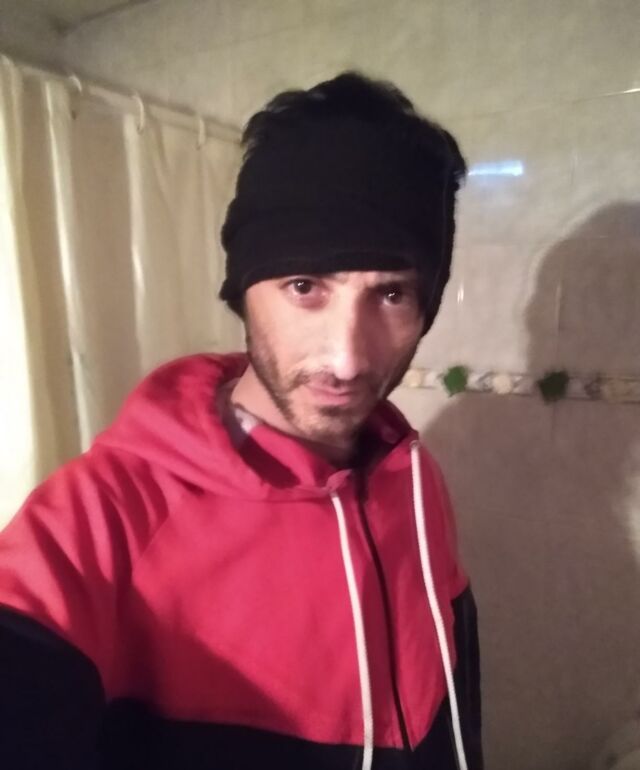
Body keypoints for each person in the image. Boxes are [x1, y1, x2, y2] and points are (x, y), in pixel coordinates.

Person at [0, 72, 482, 770]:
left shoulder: (416, 479)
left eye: (390, 294)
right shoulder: (103, 517)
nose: (347, 358)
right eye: (304, 286)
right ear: (242, 289)